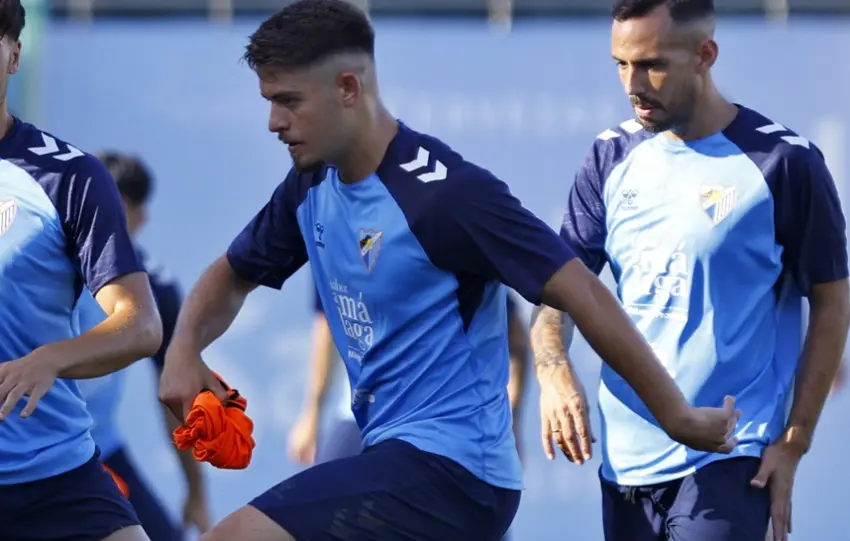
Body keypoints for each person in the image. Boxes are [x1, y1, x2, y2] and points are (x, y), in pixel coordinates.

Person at [158, 2, 740, 540]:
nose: (273, 122)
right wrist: (184, 350)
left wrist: (676, 414)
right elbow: (233, 273)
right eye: (268, 101)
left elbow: (582, 291)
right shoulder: (312, 182)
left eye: (287, 101)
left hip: (456, 474)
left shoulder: (445, 196)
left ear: (347, 89)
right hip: (389, 453)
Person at [530, 2, 850, 541]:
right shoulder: (610, 157)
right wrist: (553, 369)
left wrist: (795, 441)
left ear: (706, 55)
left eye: (652, 64)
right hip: (625, 463)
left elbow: (833, 299)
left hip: (730, 455)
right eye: (620, 64)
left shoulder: (784, 163)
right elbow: (557, 292)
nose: (632, 84)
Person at [0, 2, 163, 540]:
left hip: (54, 478)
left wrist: (49, 361)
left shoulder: (70, 177)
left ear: (15, 54)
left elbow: (140, 325)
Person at [287, 285, 529, 541]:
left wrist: (510, 420)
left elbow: (515, 338)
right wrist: (311, 413)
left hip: (446, 424)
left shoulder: (452, 253)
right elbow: (326, 324)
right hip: (362, 416)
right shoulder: (331, 248)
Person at [74, 152, 211, 541]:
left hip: (95, 448)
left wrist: (196, 492)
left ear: (139, 218)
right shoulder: (35, 258)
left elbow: (174, 395)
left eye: (113, 204)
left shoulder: (156, 289)